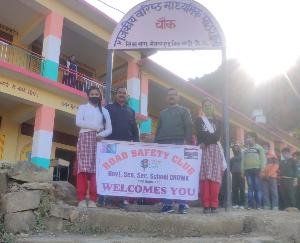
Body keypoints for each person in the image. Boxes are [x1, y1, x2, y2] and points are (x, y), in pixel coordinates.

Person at [155, 88, 193, 214]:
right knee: (166, 175)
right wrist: (156, 145)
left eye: (174, 95)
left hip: (179, 144)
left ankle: (182, 204)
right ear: (166, 98)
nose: (171, 97)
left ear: (178, 98)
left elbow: (189, 126)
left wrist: (186, 142)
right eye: (169, 95)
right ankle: (167, 204)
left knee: (180, 175)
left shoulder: (184, 111)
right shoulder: (162, 113)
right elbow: (158, 129)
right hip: (164, 145)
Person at [75, 86, 112, 207]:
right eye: (92, 94)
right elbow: (78, 122)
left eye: (97, 94)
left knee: (96, 170)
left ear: (100, 96)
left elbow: (109, 129)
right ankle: (81, 198)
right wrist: (95, 127)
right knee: (83, 169)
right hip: (84, 138)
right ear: (88, 95)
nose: (95, 96)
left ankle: (92, 199)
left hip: (98, 140)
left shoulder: (104, 111)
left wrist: (101, 134)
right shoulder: (83, 107)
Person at [104, 87, 140, 208]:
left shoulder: (131, 111)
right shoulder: (108, 108)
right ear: (116, 95)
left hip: (126, 146)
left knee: (123, 173)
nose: (122, 95)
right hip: (110, 145)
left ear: (127, 96)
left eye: (124, 93)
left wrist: (136, 142)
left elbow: (134, 128)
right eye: (119, 93)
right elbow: (102, 124)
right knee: (110, 172)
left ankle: (121, 200)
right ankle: (108, 199)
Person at [195, 98, 226, 214]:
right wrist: (204, 142)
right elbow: (200, 134)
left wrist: (206, 142)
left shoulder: (218, 122)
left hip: (214, 149)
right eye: (205, 106)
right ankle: (206, 204)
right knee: (204, 176)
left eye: (210, 105)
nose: (208, 107)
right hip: (203, 150)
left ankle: (214, 204)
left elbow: (217, 136)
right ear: (203, 108)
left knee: (215, 176)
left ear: (213, 108)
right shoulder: (199, 120)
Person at [241, 132, 266, 209]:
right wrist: (242, 171)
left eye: (249, 137)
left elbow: (263, 160)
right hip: (248, 170)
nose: (247, 139)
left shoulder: (259, 148)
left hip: (257, 170)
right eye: (247, 137)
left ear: (254, 138)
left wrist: (262, 170)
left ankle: (258, 205)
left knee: (257, 188)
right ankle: (250, 205)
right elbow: (243, 161)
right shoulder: (245, 150)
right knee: (250, 188)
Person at [231, 143, 245, 209]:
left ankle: (242, 204)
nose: (235, 149)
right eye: (234, 148)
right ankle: (235, 203)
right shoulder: (232, 158)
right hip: (234, 174)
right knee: (234, 188)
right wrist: (232, 171)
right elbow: (230, 166)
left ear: (239, 149)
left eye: (237, 147)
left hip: (241, 173)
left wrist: (244, 172)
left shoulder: (243, 156)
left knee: (242, 189)